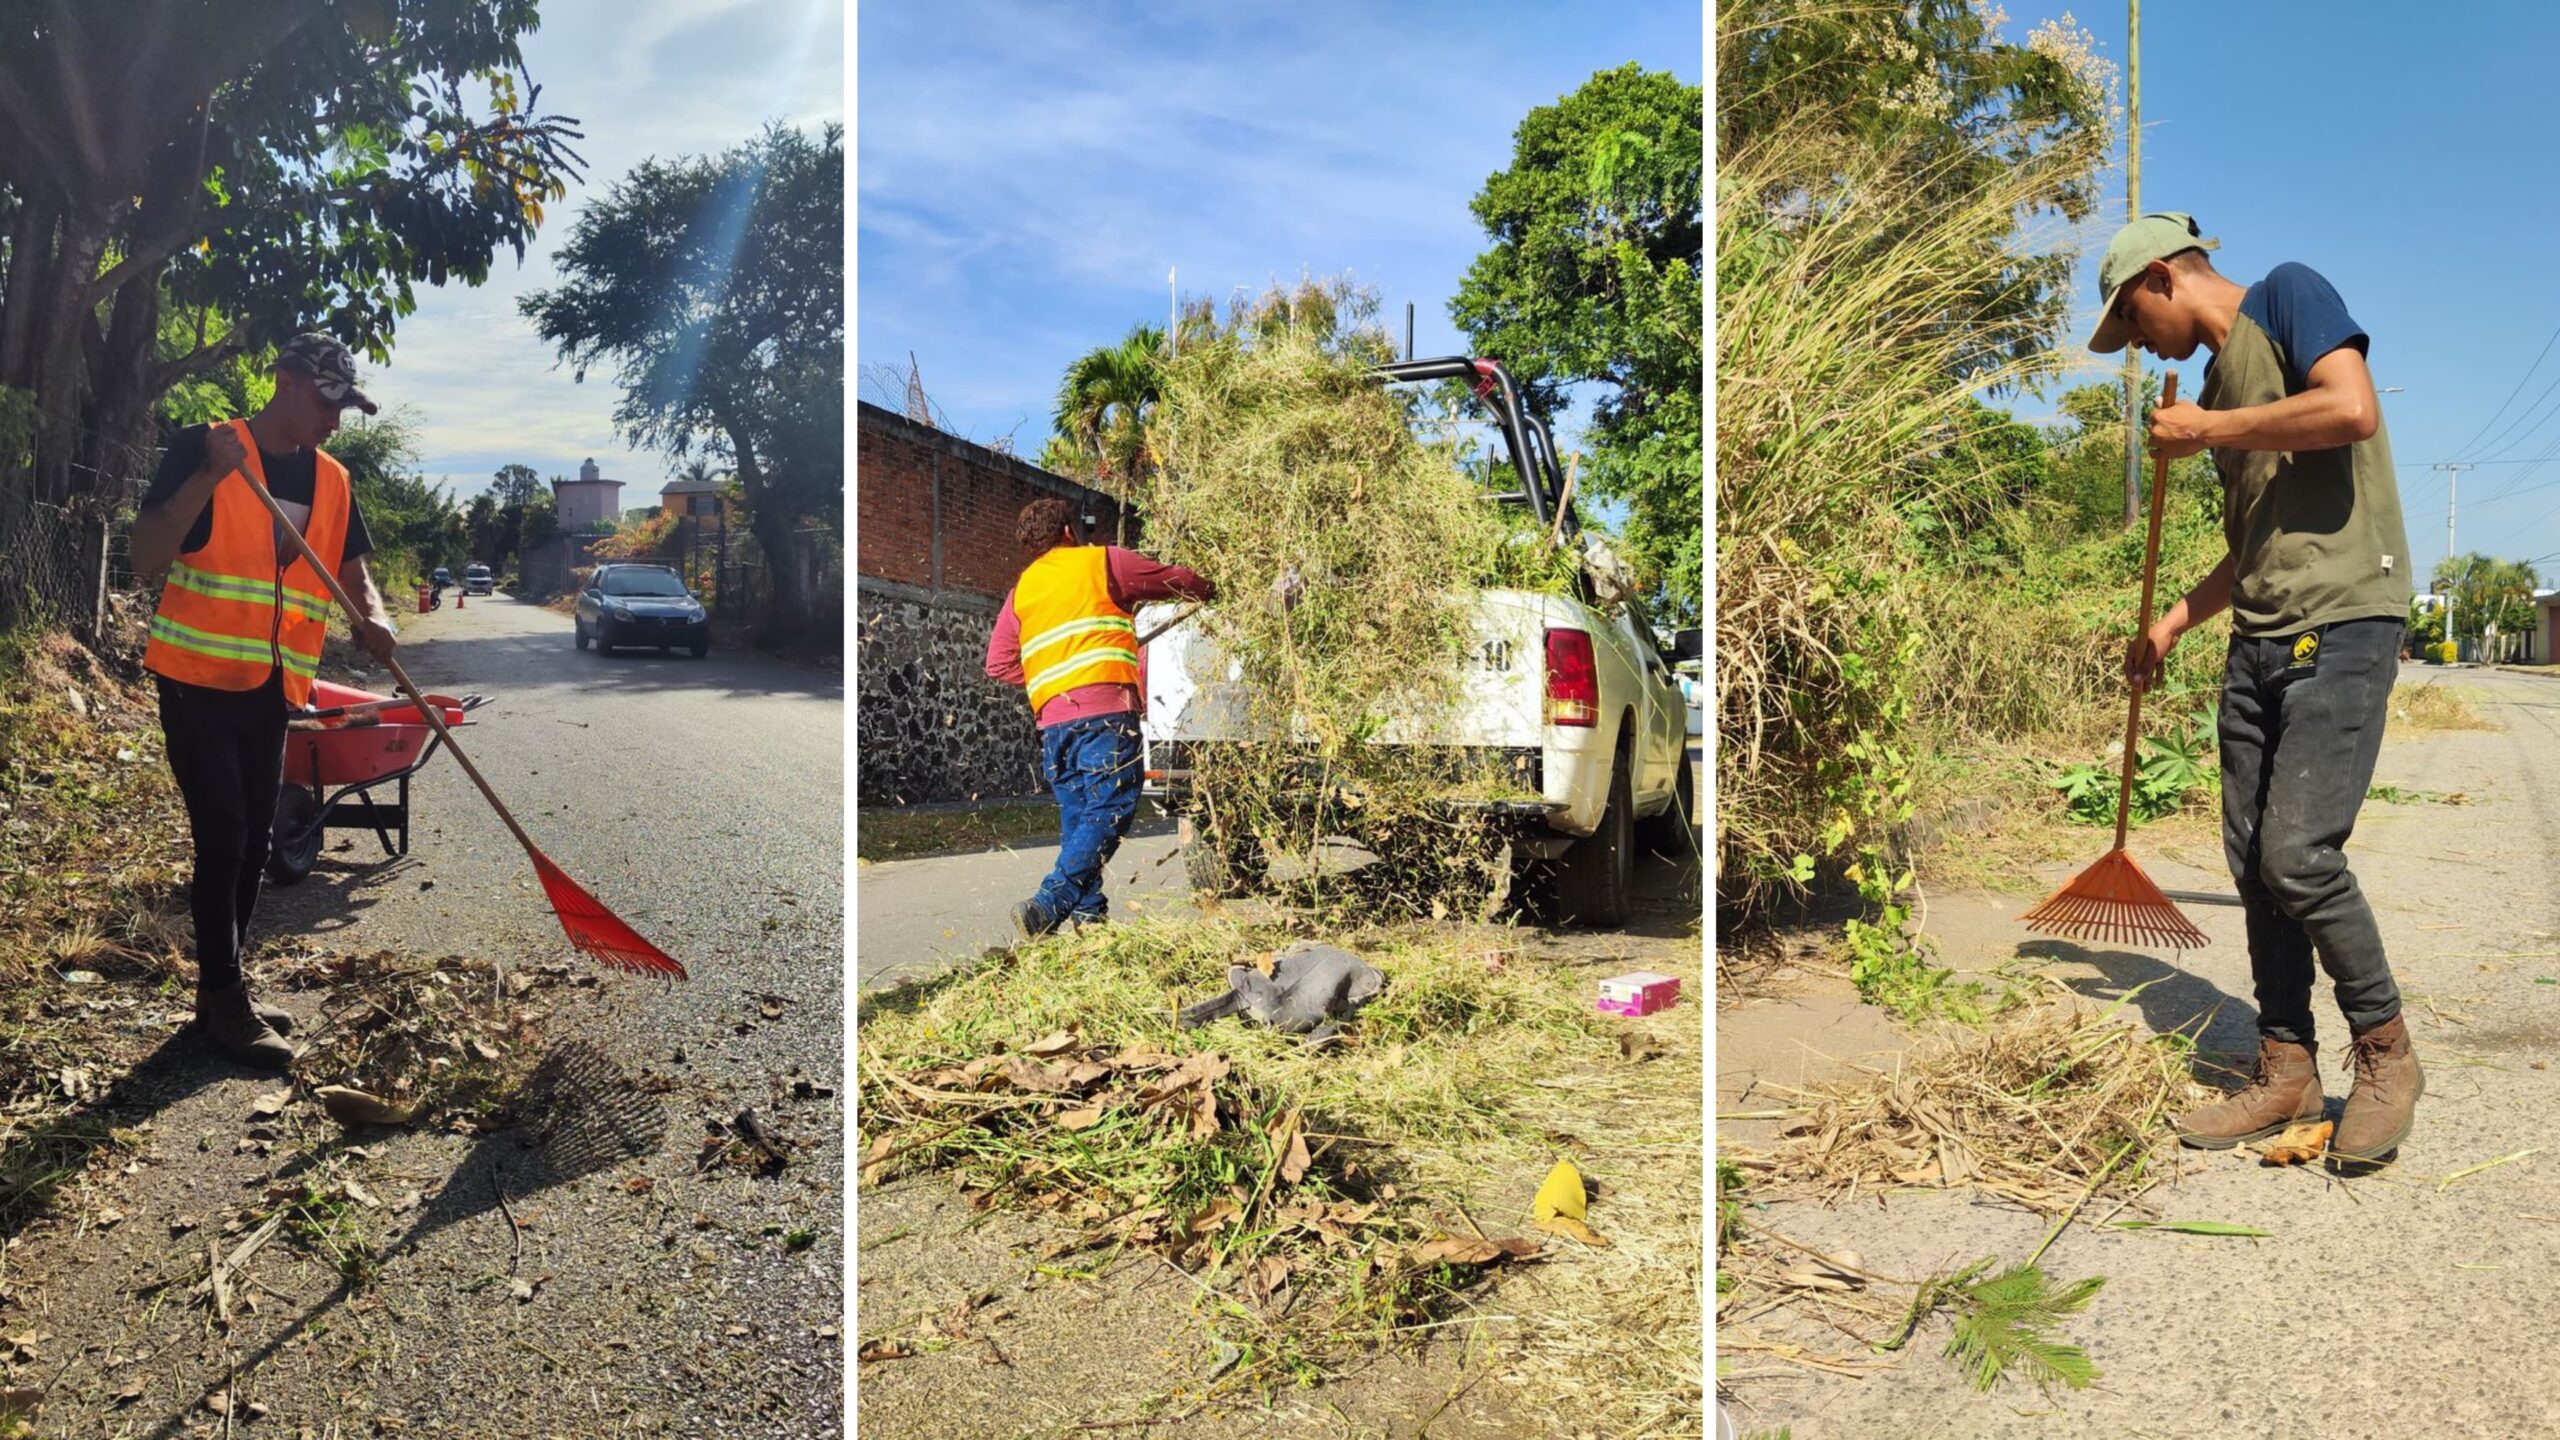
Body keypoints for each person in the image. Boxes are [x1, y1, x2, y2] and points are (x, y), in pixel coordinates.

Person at [2096, 213, 2421, 1168]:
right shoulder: (2214, 388)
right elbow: (2256, 543)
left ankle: (2388, 1054)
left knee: (2299, 854)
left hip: (2347, 616)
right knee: (2252, 864)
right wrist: (2175, 621)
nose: (2138, 346)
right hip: (2262, 636)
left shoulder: (2287, 294)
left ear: (2162, 277)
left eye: (2132, 322)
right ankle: (2283, 1066)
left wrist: (2209, 429)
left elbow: (2351, 407)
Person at [130, 333, 401, 1069]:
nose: (334, 421)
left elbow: (350, 567)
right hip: (196, 678)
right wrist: (208, 480)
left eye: (345, 408)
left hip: (276, 684)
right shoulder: (209, 447)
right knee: (222, 831)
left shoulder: (335, 479)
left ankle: (223, 989)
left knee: (254, 838)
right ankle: (223, 998)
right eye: (327, 401)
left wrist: (372, 614)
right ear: (285, 380)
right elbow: (144, 555)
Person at [985, 498, 1215, 939]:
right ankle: (1051, 901)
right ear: (1070, 531)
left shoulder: (1022, 591)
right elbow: (1175, 580)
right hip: (1106, 712)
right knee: (1109, 808)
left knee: (1079, 818)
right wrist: (1210, 586)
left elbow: (997, 664)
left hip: (1053, 723)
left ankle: (1090, 921)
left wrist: (1052, 677)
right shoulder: (1102, 563)